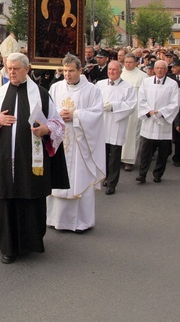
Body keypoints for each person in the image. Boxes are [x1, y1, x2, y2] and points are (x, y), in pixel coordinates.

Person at [0, 53, 68, 263]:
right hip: (6, 158)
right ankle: (8, 247)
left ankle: (31, 242)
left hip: (31, 160)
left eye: (16, 69)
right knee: (8, 200)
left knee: (31, 197)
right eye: (9, 68)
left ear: (27, 69)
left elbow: (58, 124)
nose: (11, 72)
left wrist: (46, 129)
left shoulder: (42, 94)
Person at [46, 54, 105, 232]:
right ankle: (54, 219)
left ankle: (81, 222)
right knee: (57, 177)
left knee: (79, 178)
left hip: (80, 144)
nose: (67, 74)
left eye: (71, 71)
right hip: (59, 140)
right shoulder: (55, 88)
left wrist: (76, 115)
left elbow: (97, 113)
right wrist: (58, 113)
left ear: (80, 70)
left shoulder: (92, 90)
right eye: (65, 71)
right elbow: (48, 109)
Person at [96, 60, 136, 195]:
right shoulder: (100, 85)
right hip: (102, 123)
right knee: (104, 154)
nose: (111, 72)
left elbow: (130, 105)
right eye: (109, 69)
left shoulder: (128, 87)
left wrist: (113, 106)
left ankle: (112, 183)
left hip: (116, 124)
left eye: (114, 70)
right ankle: (106, 177)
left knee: (114, 155)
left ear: (120, 71)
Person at [136, 60, 180, 184]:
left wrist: (160, 113)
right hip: (149, 121)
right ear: (154, 69)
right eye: (157, 68)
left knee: (163, 151)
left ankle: (158, 174)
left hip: (163, 123)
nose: (160, 70)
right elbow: (141, 99)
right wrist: (149, 112)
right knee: (146, 151)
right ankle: (142, 174)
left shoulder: (172, 84)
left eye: (162, 68)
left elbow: (175, 103)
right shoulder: (146, 82)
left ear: (166, 70)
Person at [120, 53, 147, 172]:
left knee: (131, 134)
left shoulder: (143, 76)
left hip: (135, 109)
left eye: (131, 62)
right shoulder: (119, 73)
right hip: (119, 108)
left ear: (136, 63)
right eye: (126, 62)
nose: (128, 64)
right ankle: (118, 157)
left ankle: (129, 160)